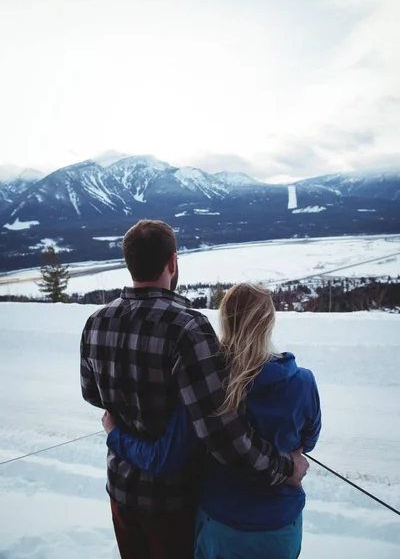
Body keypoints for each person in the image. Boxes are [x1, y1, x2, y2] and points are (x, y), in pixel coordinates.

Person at [81, 220, 309, 559]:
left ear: (129, 263)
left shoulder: (96, 321)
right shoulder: (187, 326)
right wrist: (285, 469)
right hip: (172, 505)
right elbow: (222, 433)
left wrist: (129, 415)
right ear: (173, 262)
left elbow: (93, 394)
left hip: (121, 492)